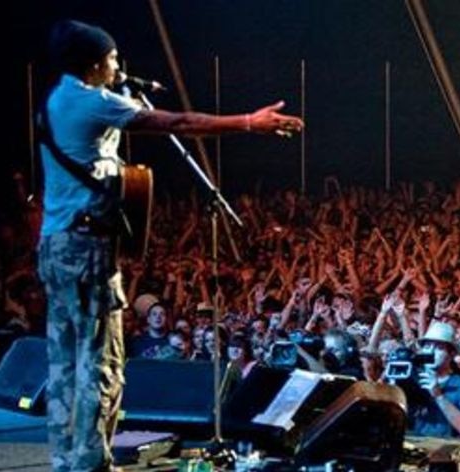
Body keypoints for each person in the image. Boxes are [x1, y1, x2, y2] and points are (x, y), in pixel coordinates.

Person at [37, 19, 303, 472]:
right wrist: (247, 122)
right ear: (96, 64)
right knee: (101, 359)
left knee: (65, 359)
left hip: (57, 243)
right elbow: (176, 122)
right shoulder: (91, 102)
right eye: (114, 59)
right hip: (87, 249)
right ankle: (89, 463)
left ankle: (68, 458)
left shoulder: (55, 100)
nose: (119, 65)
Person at [408, 321, 460, 439]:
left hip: (447, 451)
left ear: (451, 354)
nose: (431, 352)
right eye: (427, 346)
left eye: (439, 347)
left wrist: (438, 395)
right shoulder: (414, 380)